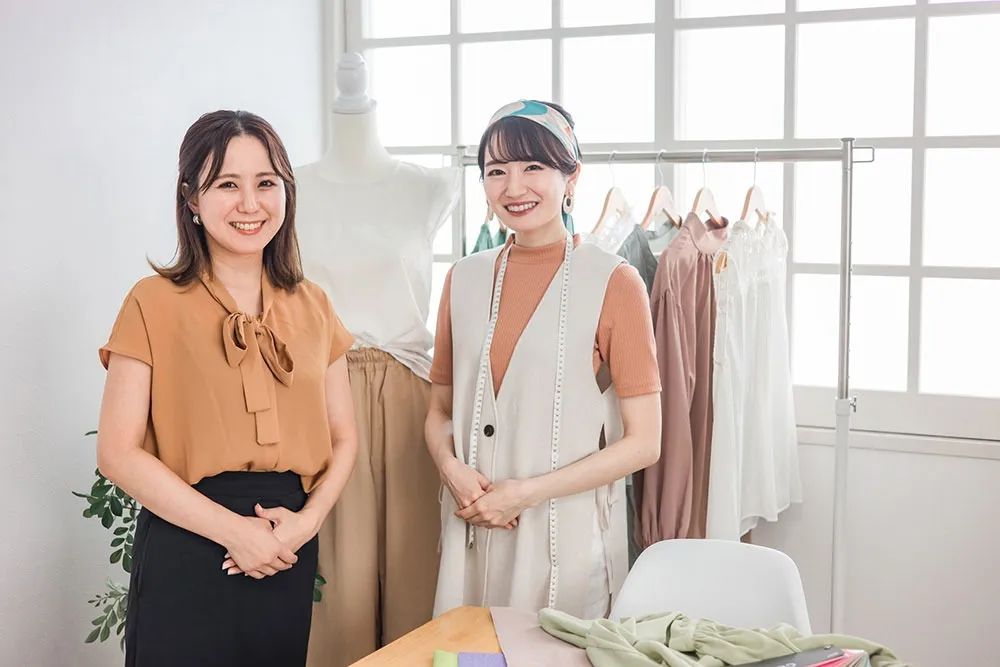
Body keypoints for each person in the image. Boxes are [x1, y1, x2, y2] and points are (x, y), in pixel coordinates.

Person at [95, 110, 358, 667]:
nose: (250, 203)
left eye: (266, 183)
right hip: (188, 539)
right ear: (191, 198)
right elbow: (117, 453)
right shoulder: (151, 302)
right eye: (227, 185)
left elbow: (344, 438)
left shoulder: (315, 304)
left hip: (285, 543)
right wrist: (234, 532)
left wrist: (306, 524)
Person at [426, 99, 662, 620]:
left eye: (533, 166)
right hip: (470, 527)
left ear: (571, 177)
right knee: (467, 651)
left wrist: (526, 494)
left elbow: (645, 443)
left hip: (565, 541)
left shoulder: (615, 282)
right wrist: (450, 468)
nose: (514, 187)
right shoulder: (463, 279)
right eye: (496, 171)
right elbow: (439, 409)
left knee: (550, 649)